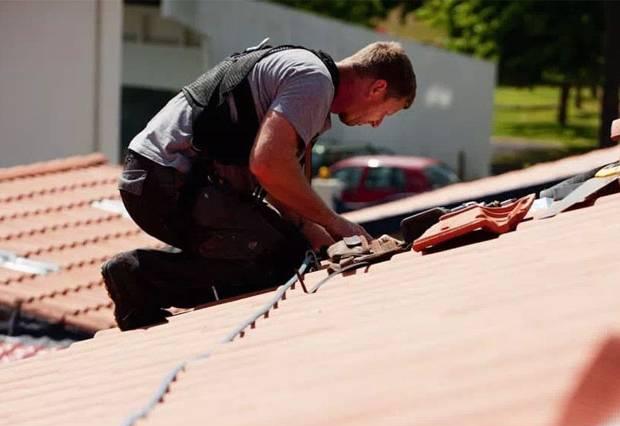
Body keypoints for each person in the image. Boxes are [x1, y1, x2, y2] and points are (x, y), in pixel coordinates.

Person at [102, 40, 416, 331]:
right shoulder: (313, 81)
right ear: (377, 88)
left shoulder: (312, 82)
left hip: (167, 180)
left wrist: (323, 240)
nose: (377, 123)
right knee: (276, 260)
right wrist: (336, 222)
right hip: (163, 181)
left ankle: (149, 276)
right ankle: (137, 276)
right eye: (386, 112)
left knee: (295, 251)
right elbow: (268, 165)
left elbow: (287, 192)